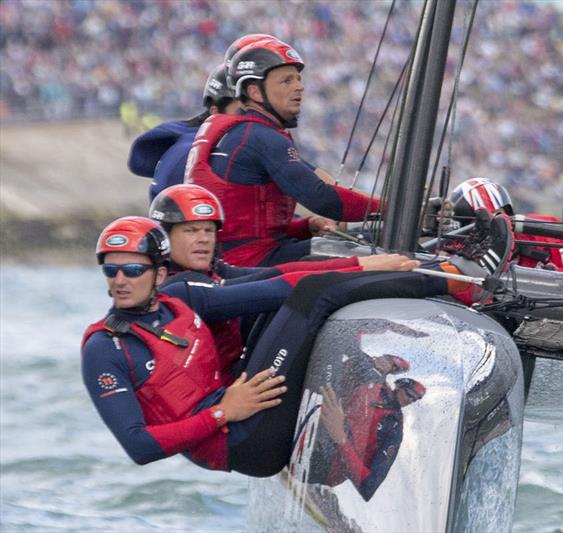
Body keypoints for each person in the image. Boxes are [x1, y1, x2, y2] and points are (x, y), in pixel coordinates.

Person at [82, 210, 513, 477]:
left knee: (298, 292)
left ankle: (435, 270)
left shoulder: (182, 298)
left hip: (242, 411)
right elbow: (138, 447)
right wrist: (222, 412)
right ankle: (459, 281)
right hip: (241, 443)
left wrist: (362, 263)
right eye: (112, 271)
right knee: (313, 297)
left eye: (133, 270)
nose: (121, 280)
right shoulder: (105, 348)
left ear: (158, 274)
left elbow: (277, 283)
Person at [148, 183, 417, 383]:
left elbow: (275, 273)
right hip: (228, 409)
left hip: (237, 384)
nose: (204, 239)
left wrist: (358, 266)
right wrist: (359, 267)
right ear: (164, 238)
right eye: (190, 231)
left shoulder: (212, 273)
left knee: (307, 278)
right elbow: (272, 289)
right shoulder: (177, 290)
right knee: (307, 294)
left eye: (208, 230)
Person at [185, 36, 382, 267]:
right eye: (286, 81)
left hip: (246, 256)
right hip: (251, 264)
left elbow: (249, 225)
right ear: (255, 92)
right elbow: (323, 197)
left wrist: (305, 226)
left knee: (367, 243)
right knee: (385, 254)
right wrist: (391, 210)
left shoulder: (249, 133)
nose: (300, 86)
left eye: (298, 79)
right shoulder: (260, 137)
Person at [446, 177, 563, 278]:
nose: (499, 219)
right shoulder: (452, 248)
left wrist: (557, 275)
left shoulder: (537, 230)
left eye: (501, 214)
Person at [128, 64, 241, 202]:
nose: (254, 119)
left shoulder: (230, 145)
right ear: (215, 112)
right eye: (242, 112)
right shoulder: (186, 156)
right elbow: (173, 217)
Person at [308, 379, 426, 502]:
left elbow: (369, 486)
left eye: (414, 399)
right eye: (409, 394)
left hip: (324, 467)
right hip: (311, 431)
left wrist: (342, 439)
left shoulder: (394, 430)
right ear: (399, 386)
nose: (410, 400)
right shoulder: (371, 386)